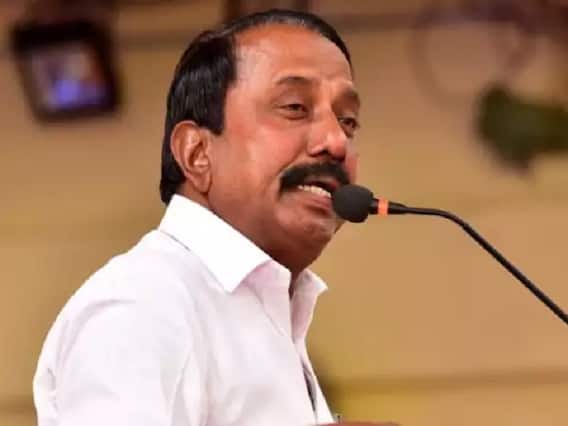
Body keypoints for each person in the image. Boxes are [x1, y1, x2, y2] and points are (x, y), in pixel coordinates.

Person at [33, 8, 361, 426]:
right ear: (197, 153)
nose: (336, 141)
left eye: (348, 121)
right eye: (295, 107)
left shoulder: (259, 307)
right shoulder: (144, 306)